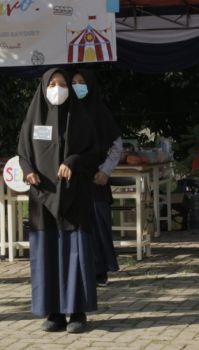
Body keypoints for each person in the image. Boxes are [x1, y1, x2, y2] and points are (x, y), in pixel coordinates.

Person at [17, 68, 102, 333]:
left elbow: (94, 152)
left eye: (62, 83)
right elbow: (22, 152)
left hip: (74, 198)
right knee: (47, 256)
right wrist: (28, 171)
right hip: (42, 198)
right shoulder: (33, 118)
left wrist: (72, 162)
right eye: (52, 84)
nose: (57, 88)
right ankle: (53, 312)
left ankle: (77, 312)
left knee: (74, 254)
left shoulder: (81, 118)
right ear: (43, 88)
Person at [72, 69, 122, 287]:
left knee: (98, 225)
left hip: (96, 180)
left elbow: (116, 145)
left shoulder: (100, 113)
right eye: (73, 82)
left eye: (81, 82)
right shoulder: (66, 112)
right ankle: (79, 270)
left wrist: (105, 171)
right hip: (73, 181)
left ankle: (100, 270)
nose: (76, 86)